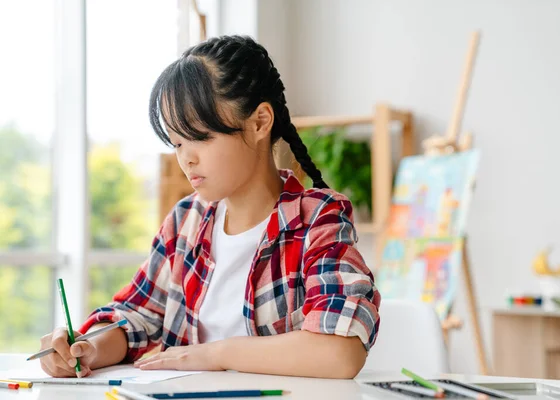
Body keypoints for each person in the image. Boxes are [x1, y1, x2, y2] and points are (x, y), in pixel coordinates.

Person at [39, 35, 380, 379]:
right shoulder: (186, 220)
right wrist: (87, 348)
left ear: (260, 121)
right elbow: (138, 316)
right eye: (176, 142)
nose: (186, 158)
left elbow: (340, 352)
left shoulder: (316, 219)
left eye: (200, 136)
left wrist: (217, 353)